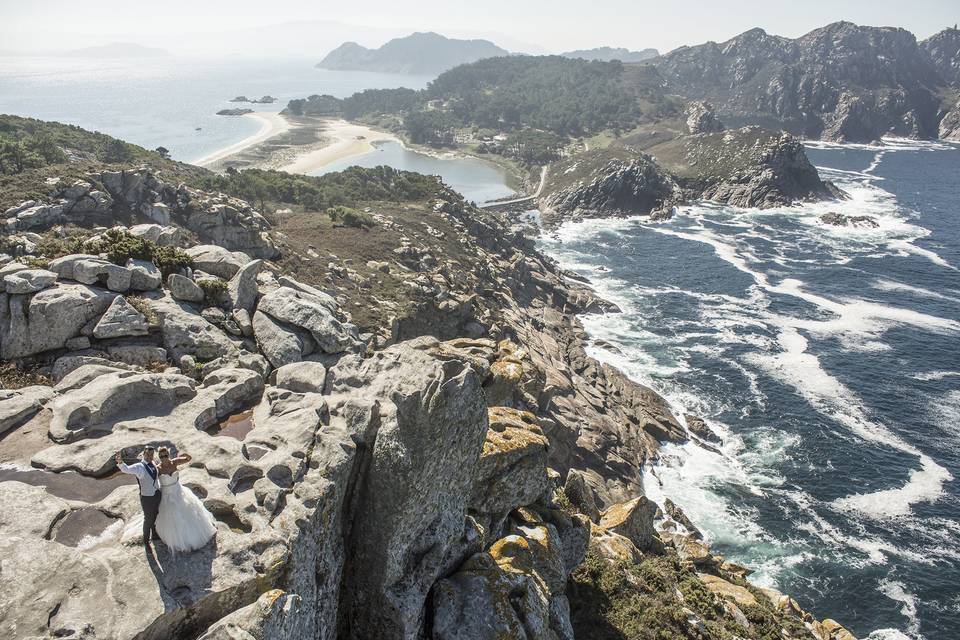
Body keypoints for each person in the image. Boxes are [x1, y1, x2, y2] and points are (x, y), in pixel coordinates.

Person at [153, 446, 218, 552]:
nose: (164, 458)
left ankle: (192, 537)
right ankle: (177, 540)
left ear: (168, 455)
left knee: (189, 513)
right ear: (159, 457)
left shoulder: (174, 462)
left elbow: (188, 459)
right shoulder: (158, 468)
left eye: (165, 455)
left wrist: (184, 454)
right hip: (167, 496)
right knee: (172, 517)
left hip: (178, 491)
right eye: (161, 456)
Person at [115, 445, 162, 546]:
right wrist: (120, 461)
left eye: (151, 454)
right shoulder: (139, 467)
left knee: (155, 515)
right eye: (147, 454)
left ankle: (154, 535)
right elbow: (126, 469)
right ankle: (146, 540)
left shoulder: (153, 463)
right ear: (143, 454)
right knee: (148, 519)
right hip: (147, 497)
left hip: (156, 494)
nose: (150, 456)